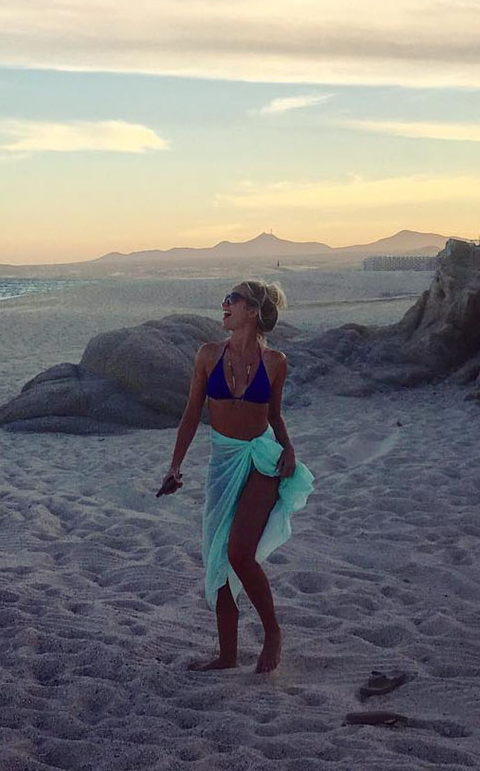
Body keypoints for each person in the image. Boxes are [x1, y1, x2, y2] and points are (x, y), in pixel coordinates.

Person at [160, 280, 314, 674]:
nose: (224, 304)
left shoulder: (275, 362)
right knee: (217, 556)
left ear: (252, 311)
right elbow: (191, 413)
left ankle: (272, 632)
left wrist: (289, 448)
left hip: (261, 459)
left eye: (232, 299)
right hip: (222, 463)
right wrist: (175, 466)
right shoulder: (208, 355)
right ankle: (227, 656)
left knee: (239, 553)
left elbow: (274, 415)